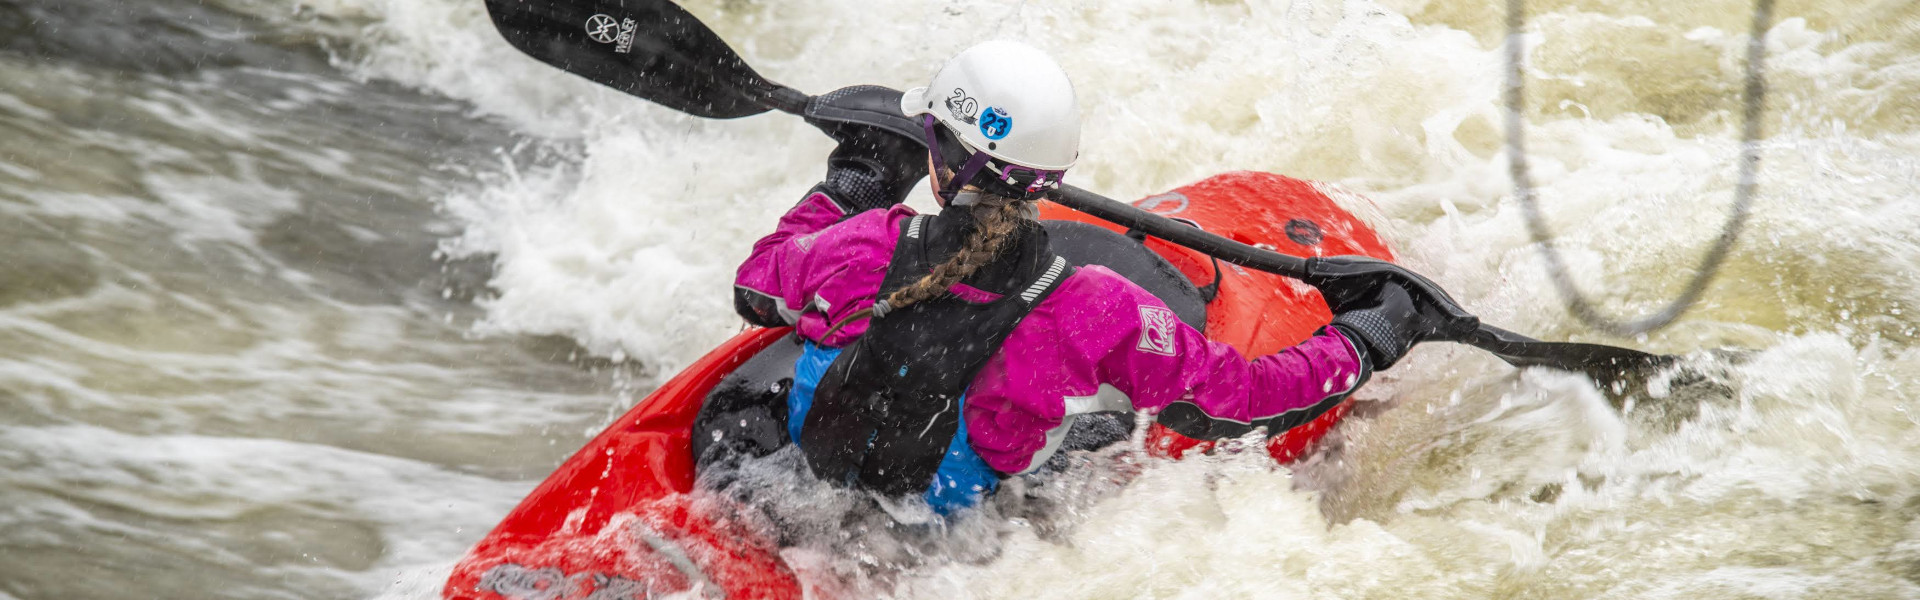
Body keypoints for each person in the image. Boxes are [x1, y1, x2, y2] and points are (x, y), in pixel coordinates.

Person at [714, 40, 1458, 514]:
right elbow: (1240, 407)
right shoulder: (1099, 309)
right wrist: (1372, 336)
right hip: (957, 528)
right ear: (1052, 175)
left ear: (939, 160)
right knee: (1105, 428)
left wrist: (860, 175)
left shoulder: (861, 245)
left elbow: (757, 287)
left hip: (805, 487)